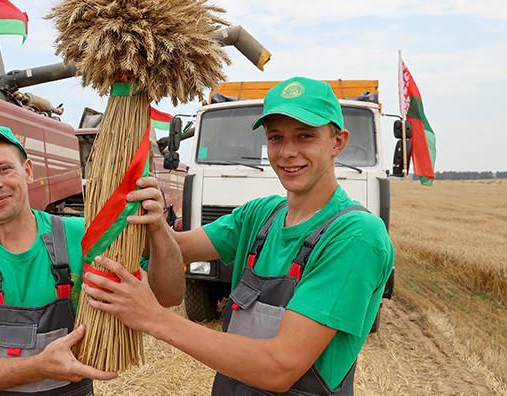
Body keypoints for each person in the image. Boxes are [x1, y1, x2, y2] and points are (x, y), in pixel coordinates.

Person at [83, 77, 395, 396]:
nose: (287, 152)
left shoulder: (356, 235)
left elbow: (280, 367)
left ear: (338, 142)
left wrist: (155, 319)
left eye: (305, 137)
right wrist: (150, 217)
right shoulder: (261, 215)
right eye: (276, 138)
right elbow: (178, 249)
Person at [0, 121, 183, 395]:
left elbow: (169, 295)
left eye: (4, 169)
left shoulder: (83, 236)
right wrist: (39, 367)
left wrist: (159, 228)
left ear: (28, 170)